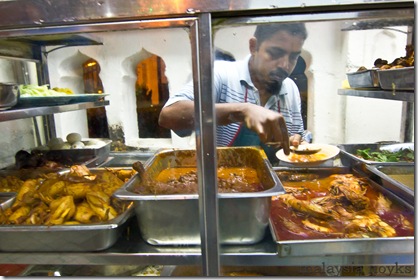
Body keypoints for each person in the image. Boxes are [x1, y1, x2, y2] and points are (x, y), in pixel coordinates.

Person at [159, 22, 309, 163]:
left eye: (294, 57)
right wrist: (243, 110)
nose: (284, 65)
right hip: (222, 181)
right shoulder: (220, 73)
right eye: (275, 53)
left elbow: (295, 141)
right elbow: (168, 115)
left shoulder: (290, 88)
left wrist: (293, 142)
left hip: (271, 184)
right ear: (253, 47)